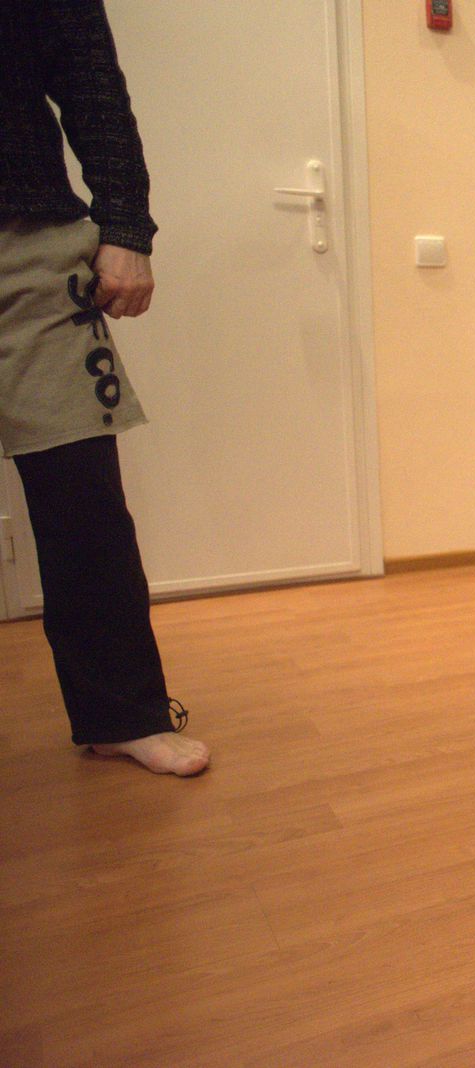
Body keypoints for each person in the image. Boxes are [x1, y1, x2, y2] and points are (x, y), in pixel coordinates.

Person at [1, 1, 208, 775]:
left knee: (82, 499)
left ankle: (120, 714)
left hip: (30, 250)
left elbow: (92, 84)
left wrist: (125, 226)